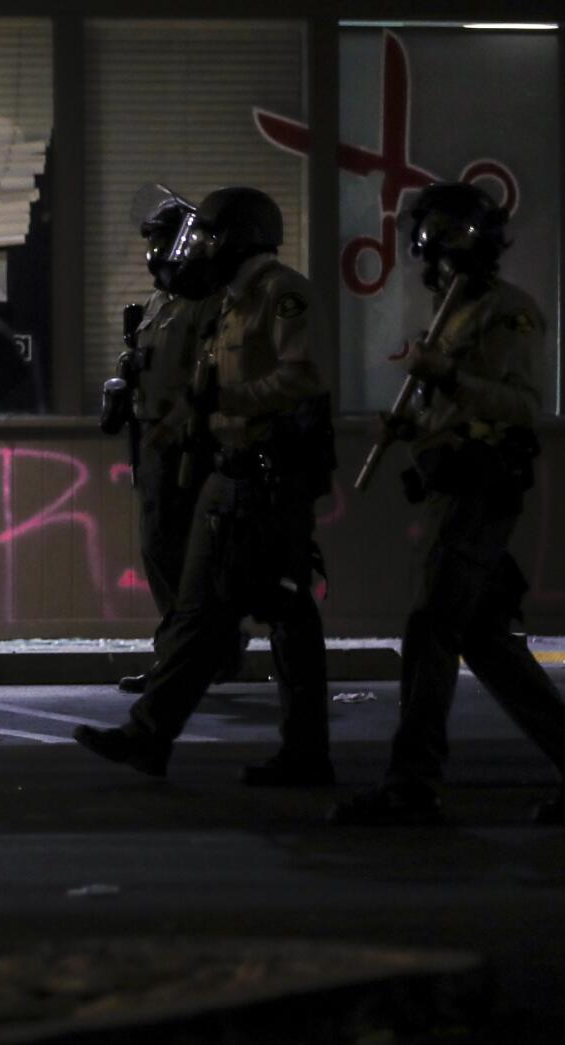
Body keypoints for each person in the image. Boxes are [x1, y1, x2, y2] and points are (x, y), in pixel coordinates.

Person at [331, 183, 565, 826]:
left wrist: (446, 376)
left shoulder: (505, 313)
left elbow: (517, 406)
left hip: (477, 492)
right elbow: (451, 410)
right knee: (485, 640)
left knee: (431, 626)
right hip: (449, 487)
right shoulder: (453, 310)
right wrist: (409, 429)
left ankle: (412, 780)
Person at [74, 187, 336, 785]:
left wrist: (231, 401)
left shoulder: (281, 294)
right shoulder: (231, 303)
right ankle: (151, 737)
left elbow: (303, 376)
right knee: (202, 610)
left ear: (239, 236)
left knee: (281, 612)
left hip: (270, 477)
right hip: (230, 469)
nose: (203, 248)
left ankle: (303, 752)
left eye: (212, 237)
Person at [99, 185, 238, 694]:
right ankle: (186, 653)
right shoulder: (161, 299)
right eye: (152, 240)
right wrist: (124, 377)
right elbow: (146, 358)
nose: (156, 251)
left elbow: (213, 374)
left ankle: (192, 657)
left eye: (163, 239)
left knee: (188, 554)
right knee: (159, 549)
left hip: (189, 444)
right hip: (153, 440)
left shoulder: (207, 302)